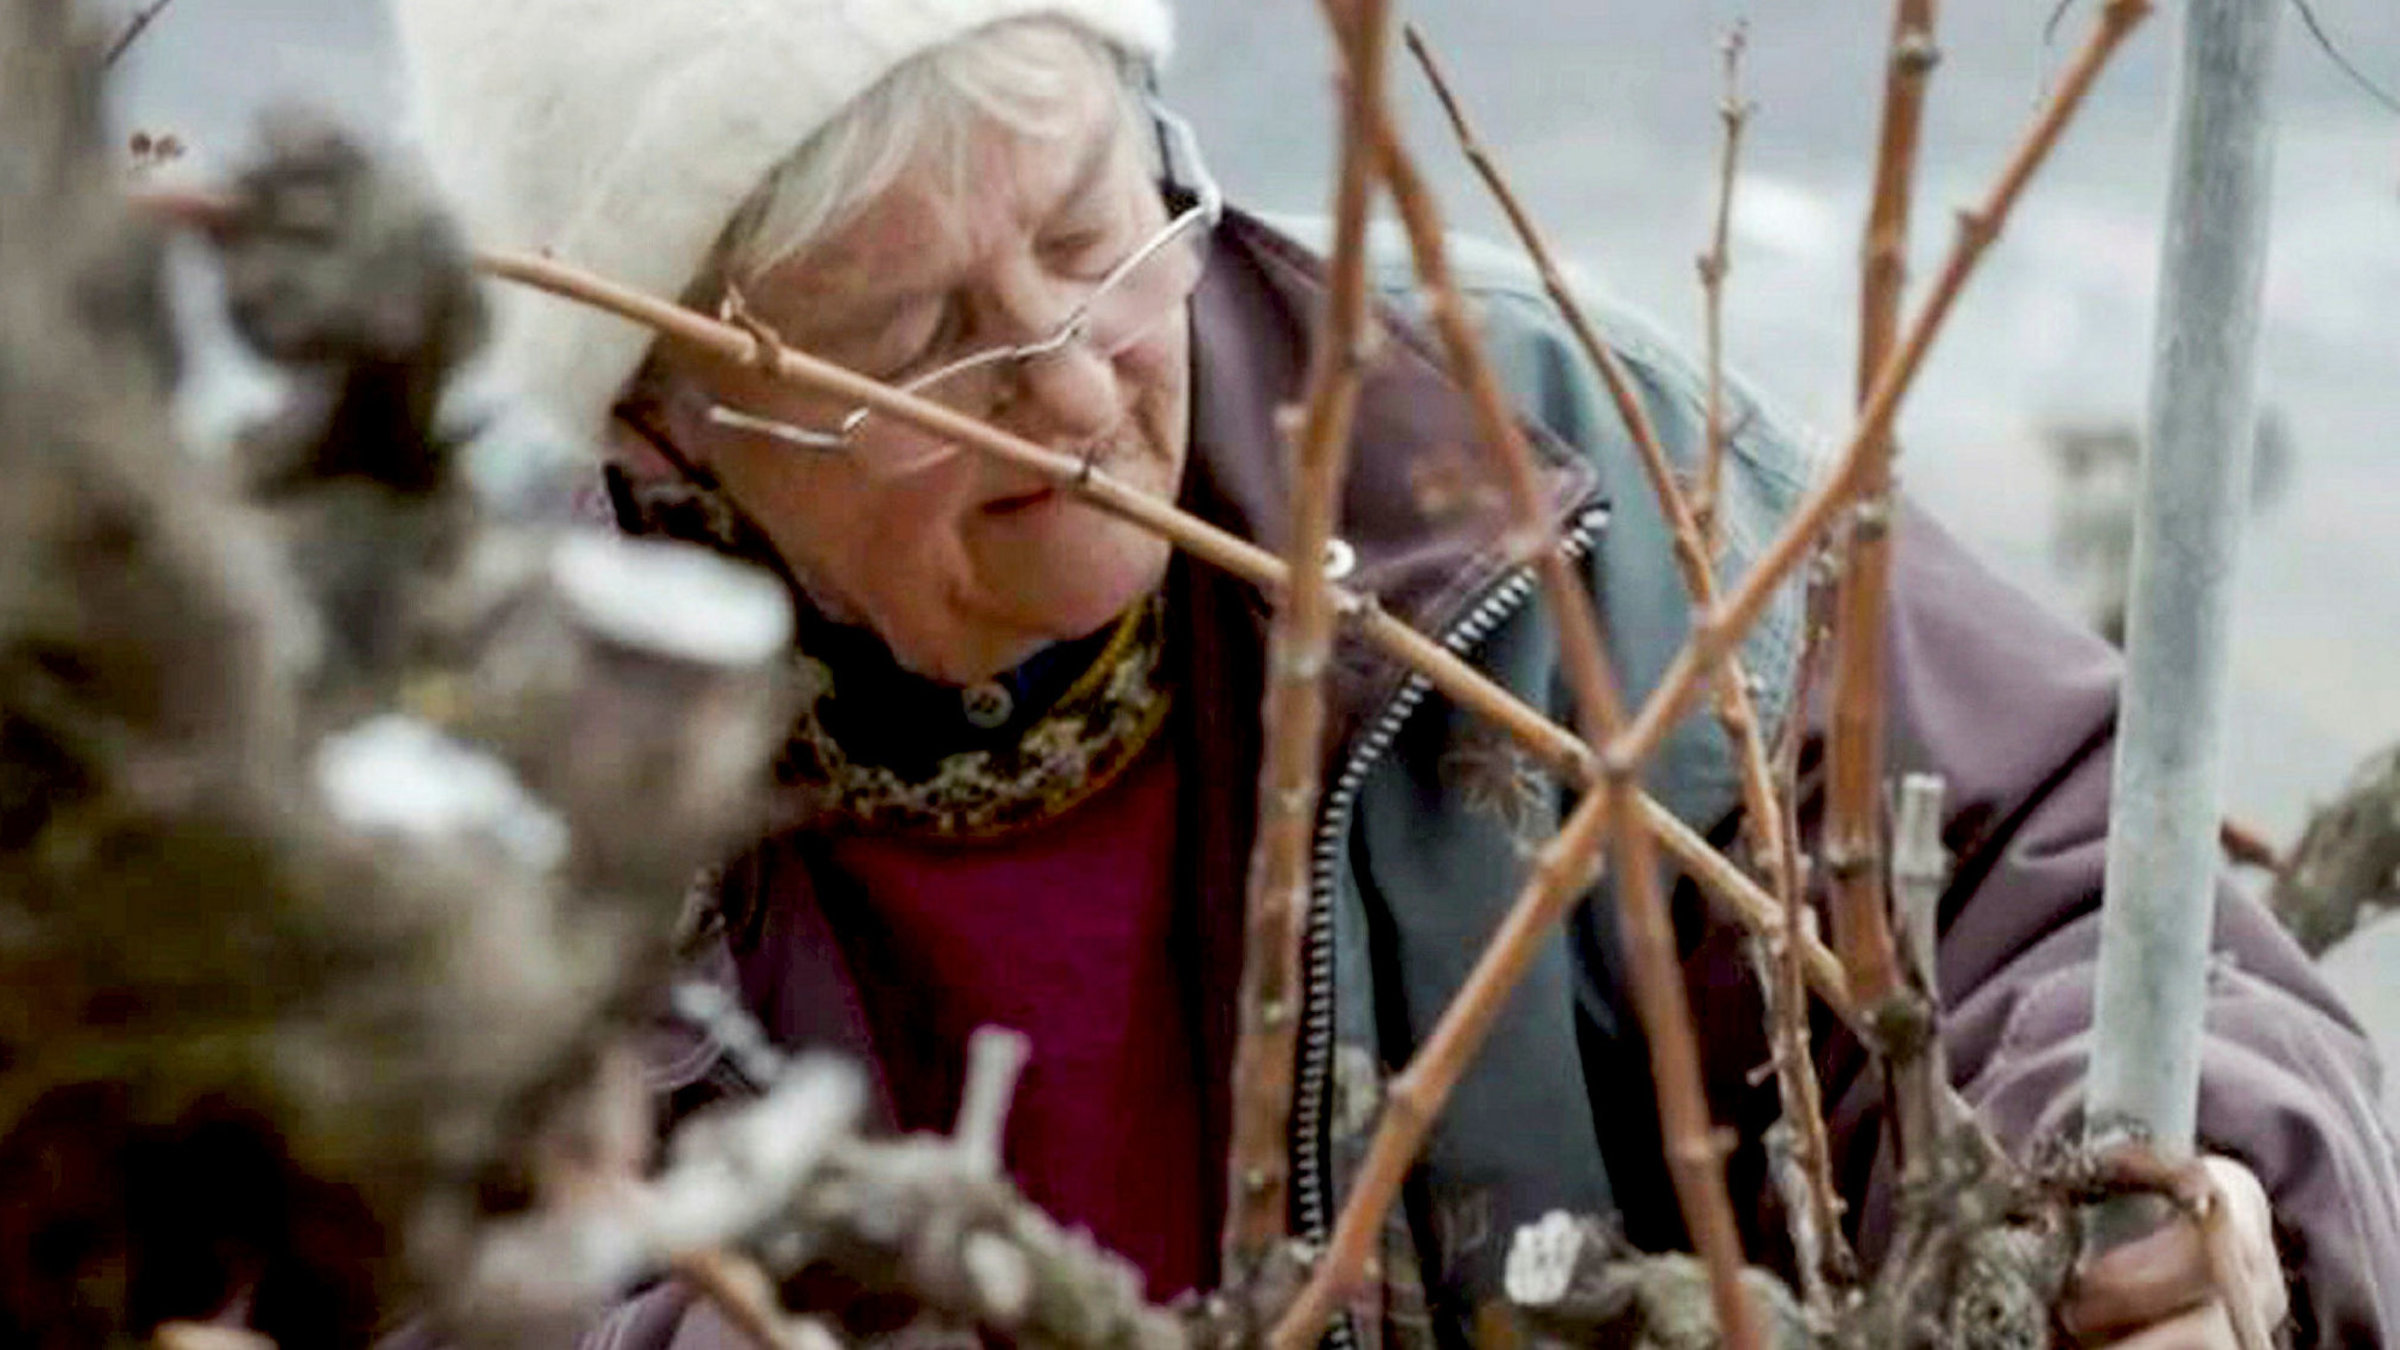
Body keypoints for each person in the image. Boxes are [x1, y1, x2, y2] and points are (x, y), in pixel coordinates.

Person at [394, 1, 2400, 1344]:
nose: (1082, 386)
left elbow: (2061, 892)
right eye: (919, 342)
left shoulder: (1539, 487)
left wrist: (2171, 1193)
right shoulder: (462, 811)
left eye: (1097, 230)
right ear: (663, 423)